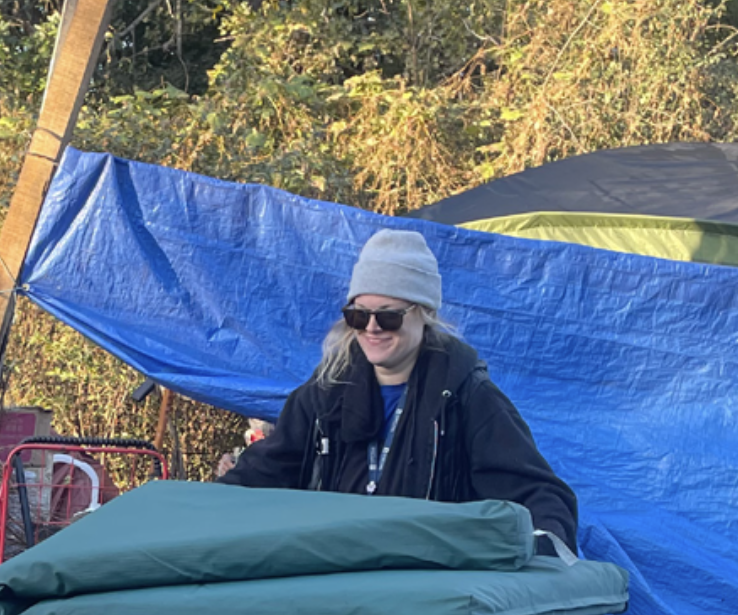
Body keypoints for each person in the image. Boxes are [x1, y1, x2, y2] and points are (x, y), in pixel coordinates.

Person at [217, 229, 578, 549]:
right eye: (358, 315)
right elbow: (265, 473)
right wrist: (205, 506)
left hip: (428, 593)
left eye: (388, 316)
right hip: (335, 587)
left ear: (424, 314)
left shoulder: (467, 397)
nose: (372, 328)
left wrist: (542, 546)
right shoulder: (324, 394)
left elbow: (539, 496)